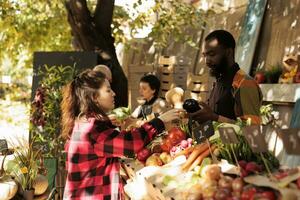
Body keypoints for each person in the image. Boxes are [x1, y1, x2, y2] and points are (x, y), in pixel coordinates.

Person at [61, 69, 182, 199]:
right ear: (94, 97)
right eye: (108, 90)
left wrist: (107, 122)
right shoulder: (92, 128)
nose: (113, 93)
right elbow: (130, 144)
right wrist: (160, 121)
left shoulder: (85, 122)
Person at [190, 30, 262, 125]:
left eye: (212, 54)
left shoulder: (244, 82)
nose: (206, 61)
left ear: (228, 52)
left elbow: (252, 128)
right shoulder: (220, 80)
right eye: (204, 55)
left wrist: (214, 117)